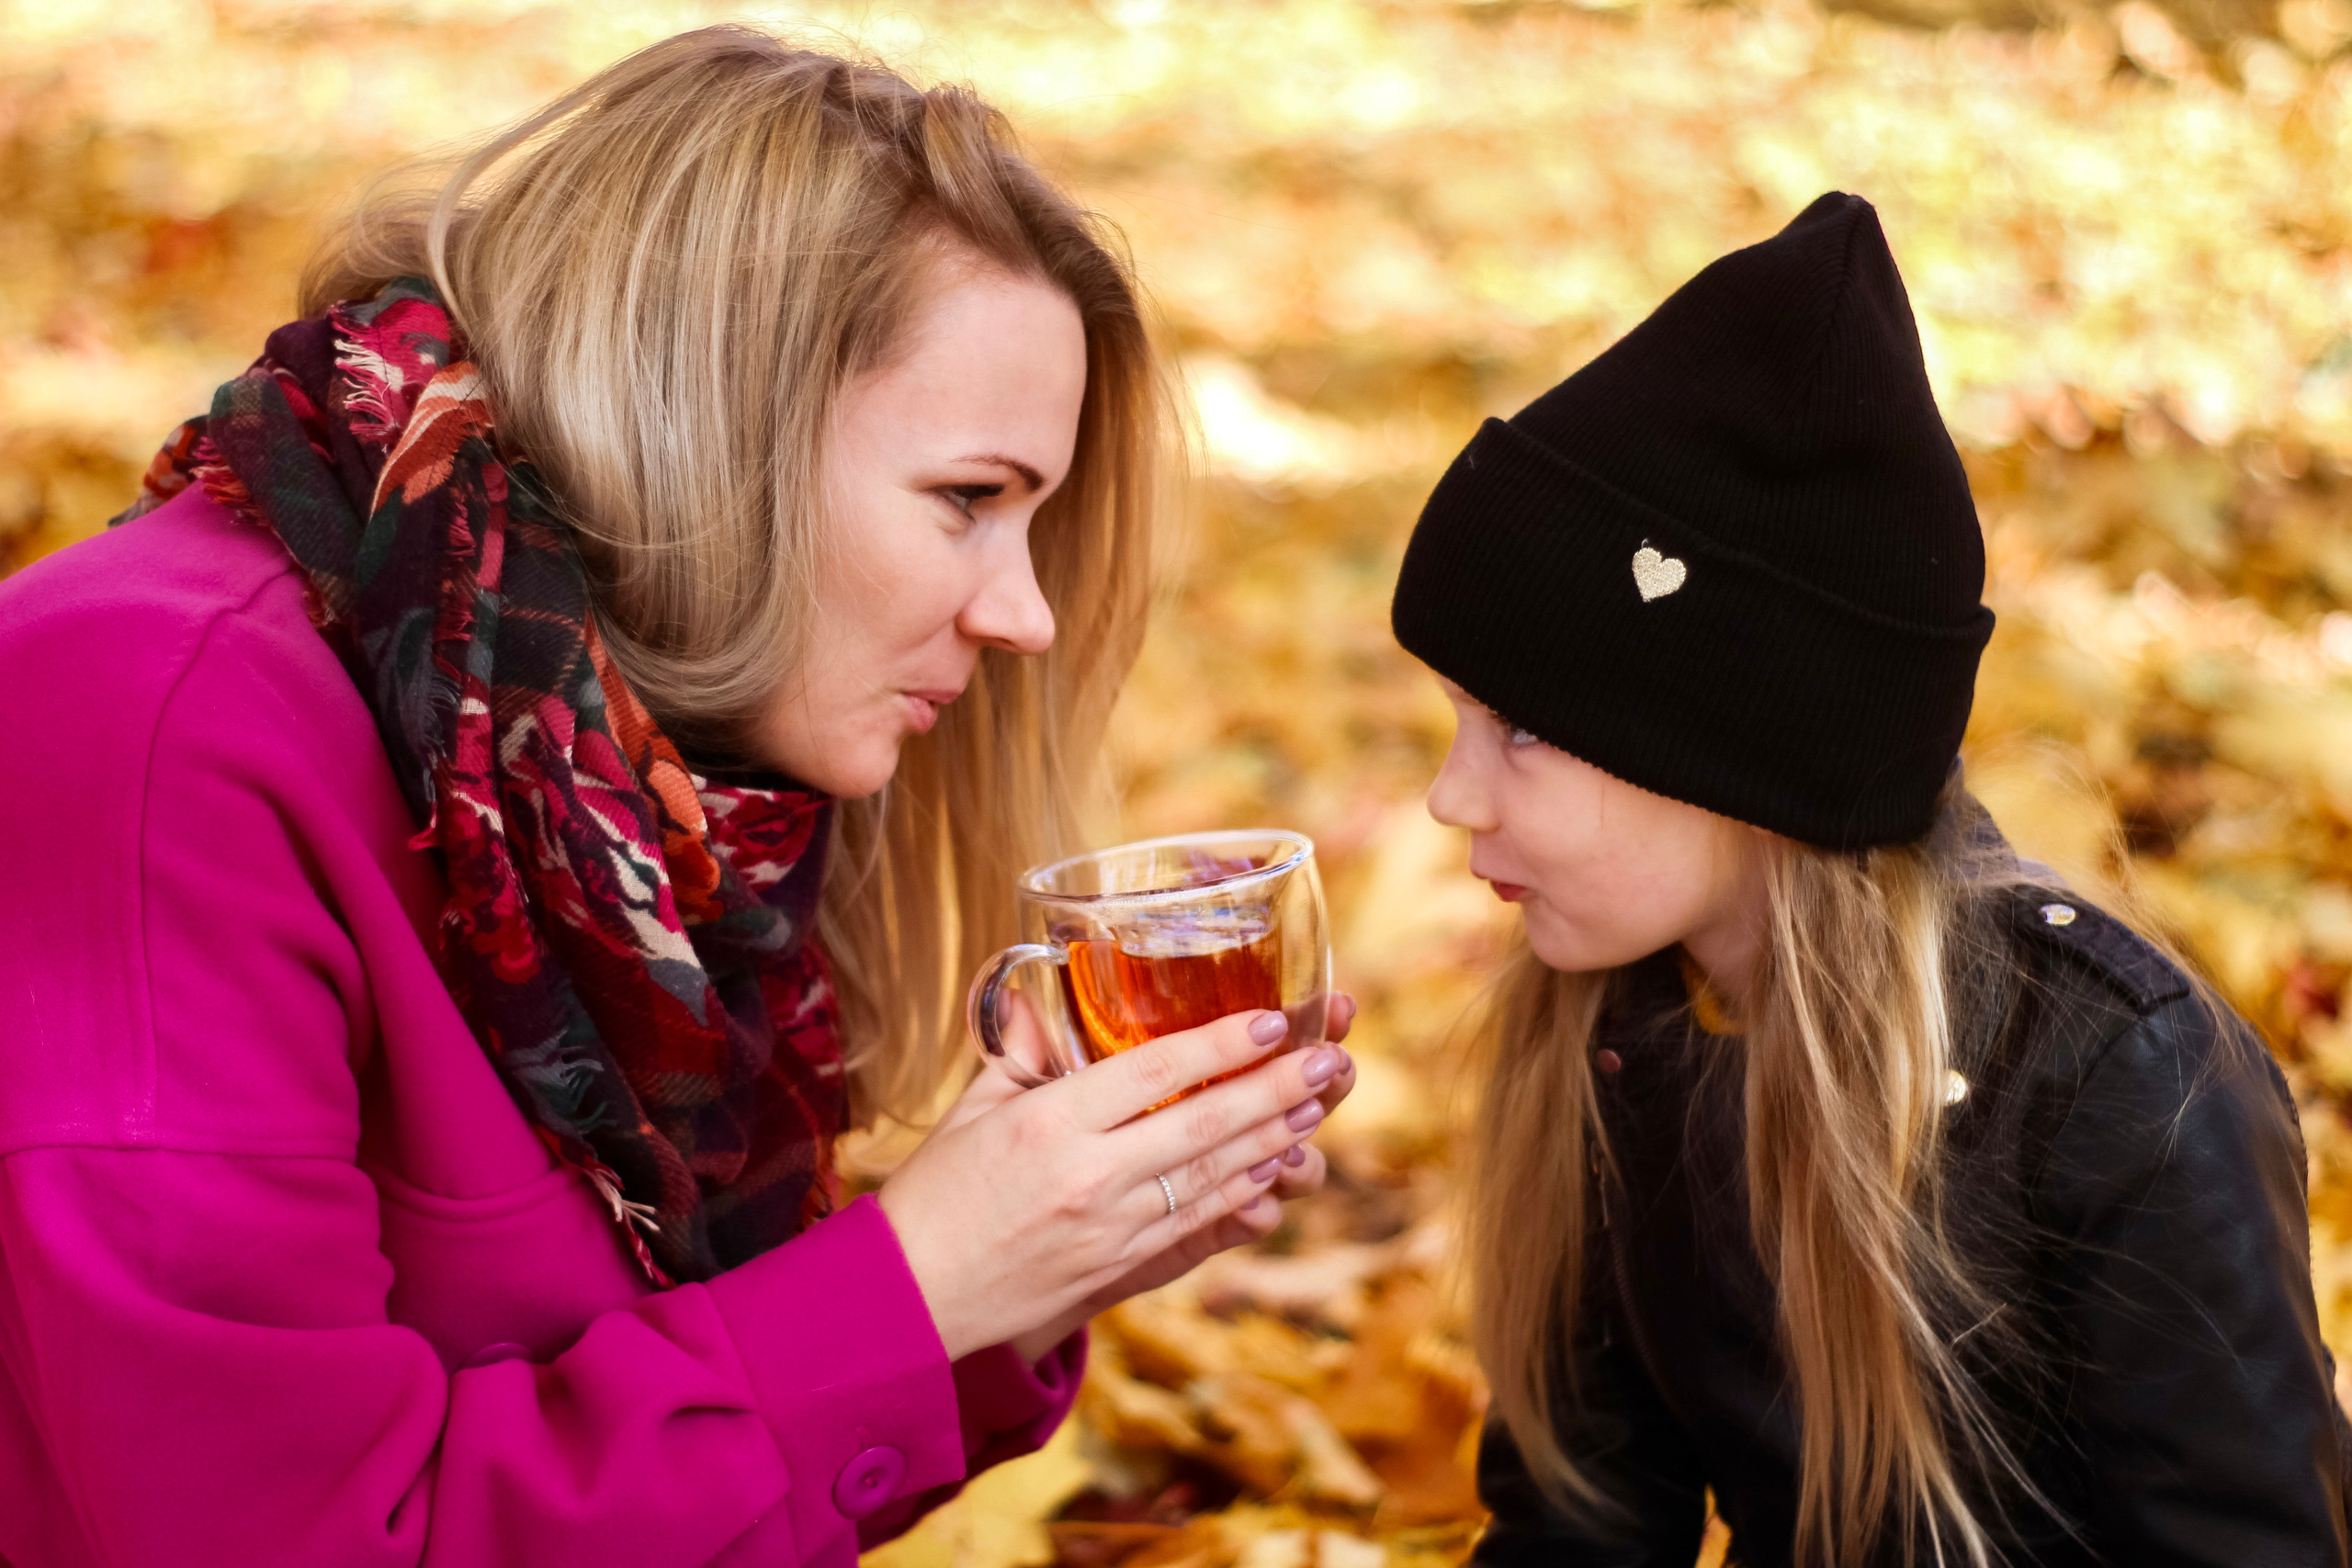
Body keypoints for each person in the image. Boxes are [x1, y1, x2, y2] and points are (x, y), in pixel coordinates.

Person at [0, 28, 1356, 1567]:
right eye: (969, 501)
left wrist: (1028, 1262)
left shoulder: (639, 780)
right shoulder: (150, 732)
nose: (1024, 617)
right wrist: (915, 1287)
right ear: (713, 427)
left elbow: (681, 1466)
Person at [1390, 192, 2352, 1566]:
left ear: (1741, 747)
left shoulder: (2116, 1084)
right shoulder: (1619, 1033)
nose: (1451, 794)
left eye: (1522, 727)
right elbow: (1583, 1524)